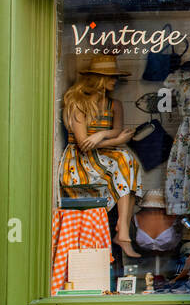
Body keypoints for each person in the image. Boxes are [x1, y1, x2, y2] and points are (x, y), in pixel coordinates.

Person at [60, 55, 142, 257]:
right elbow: (83, 144)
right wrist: (112, 141)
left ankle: (122, 229)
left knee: (127, 159)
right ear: (97, 79)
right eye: (110, 77)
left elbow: (116, 131)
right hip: (80, 162)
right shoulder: (78, 104)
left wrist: (102, 134)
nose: (115, 81)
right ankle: (122, 232)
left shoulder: (114, 104)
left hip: (104, 156)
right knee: (124, 158)